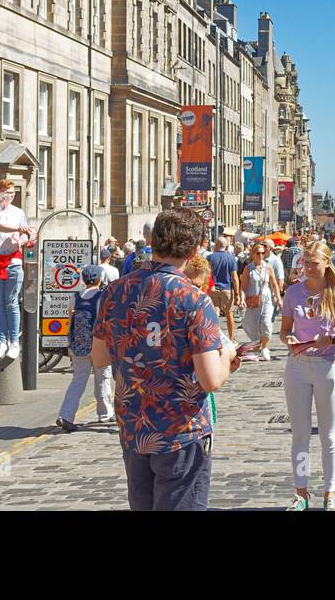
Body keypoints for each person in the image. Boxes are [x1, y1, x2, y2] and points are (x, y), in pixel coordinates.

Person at [92, 208, 238, 511]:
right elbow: (211, 379)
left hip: (134, 425)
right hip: (180, 428)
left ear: (153, 241)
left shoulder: (117, 290)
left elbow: (99, 357)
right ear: (196, 249)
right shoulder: (193, 299)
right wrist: (228, 357)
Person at [279, 240, 335, 511]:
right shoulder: (293, 293)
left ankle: (329, 493)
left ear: (326, 263)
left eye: (313, 262)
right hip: (299, 364)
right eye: (305, 262)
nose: (308, 267)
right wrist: (288, 339)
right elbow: (285, 329)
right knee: (300, 432)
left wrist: (332, 340)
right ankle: (301, 492)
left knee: (328, 433)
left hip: (329, 365)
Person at [57, 265, 114, 432]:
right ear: (99, 279)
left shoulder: (74, 297)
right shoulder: (102, 297)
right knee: (102, 378)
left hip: (78, 345)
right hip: (98, 345)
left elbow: (70, 322)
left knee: (77, 381)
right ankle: (105, 413)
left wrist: (69, 344)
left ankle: (66, 415)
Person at [0, 179, 33, 360]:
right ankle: (2, 341)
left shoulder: (19, 212)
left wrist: (22, 239)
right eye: (6, 192)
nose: (10, 195)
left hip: (13, 262)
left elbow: (27, 235)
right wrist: (19, 229)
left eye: (12, 192)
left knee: (11, 302)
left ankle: (14, 342)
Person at [239, 241, 278, 360]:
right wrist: (241, 299)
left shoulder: (268, 267)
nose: (260, 255)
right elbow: (243, 287)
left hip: (266, 300)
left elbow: (274, 284)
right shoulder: (248, 269)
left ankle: (265, 348)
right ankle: (256, 348)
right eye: (258, 253)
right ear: (252, 254)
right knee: (254, 326)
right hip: (252, 301)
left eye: (262, 253)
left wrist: (278, 298)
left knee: (266, 324)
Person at [206, 238, 239, 343]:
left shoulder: (209, 257)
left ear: (216, 245)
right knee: (229, 313)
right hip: (227, 289)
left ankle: (214, 338)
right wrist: (237, 293)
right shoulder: (231, 258)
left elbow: (206, 274)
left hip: (213, 288)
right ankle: (231, 338)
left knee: (214, 312)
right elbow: (234, 277)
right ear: (226, 246)